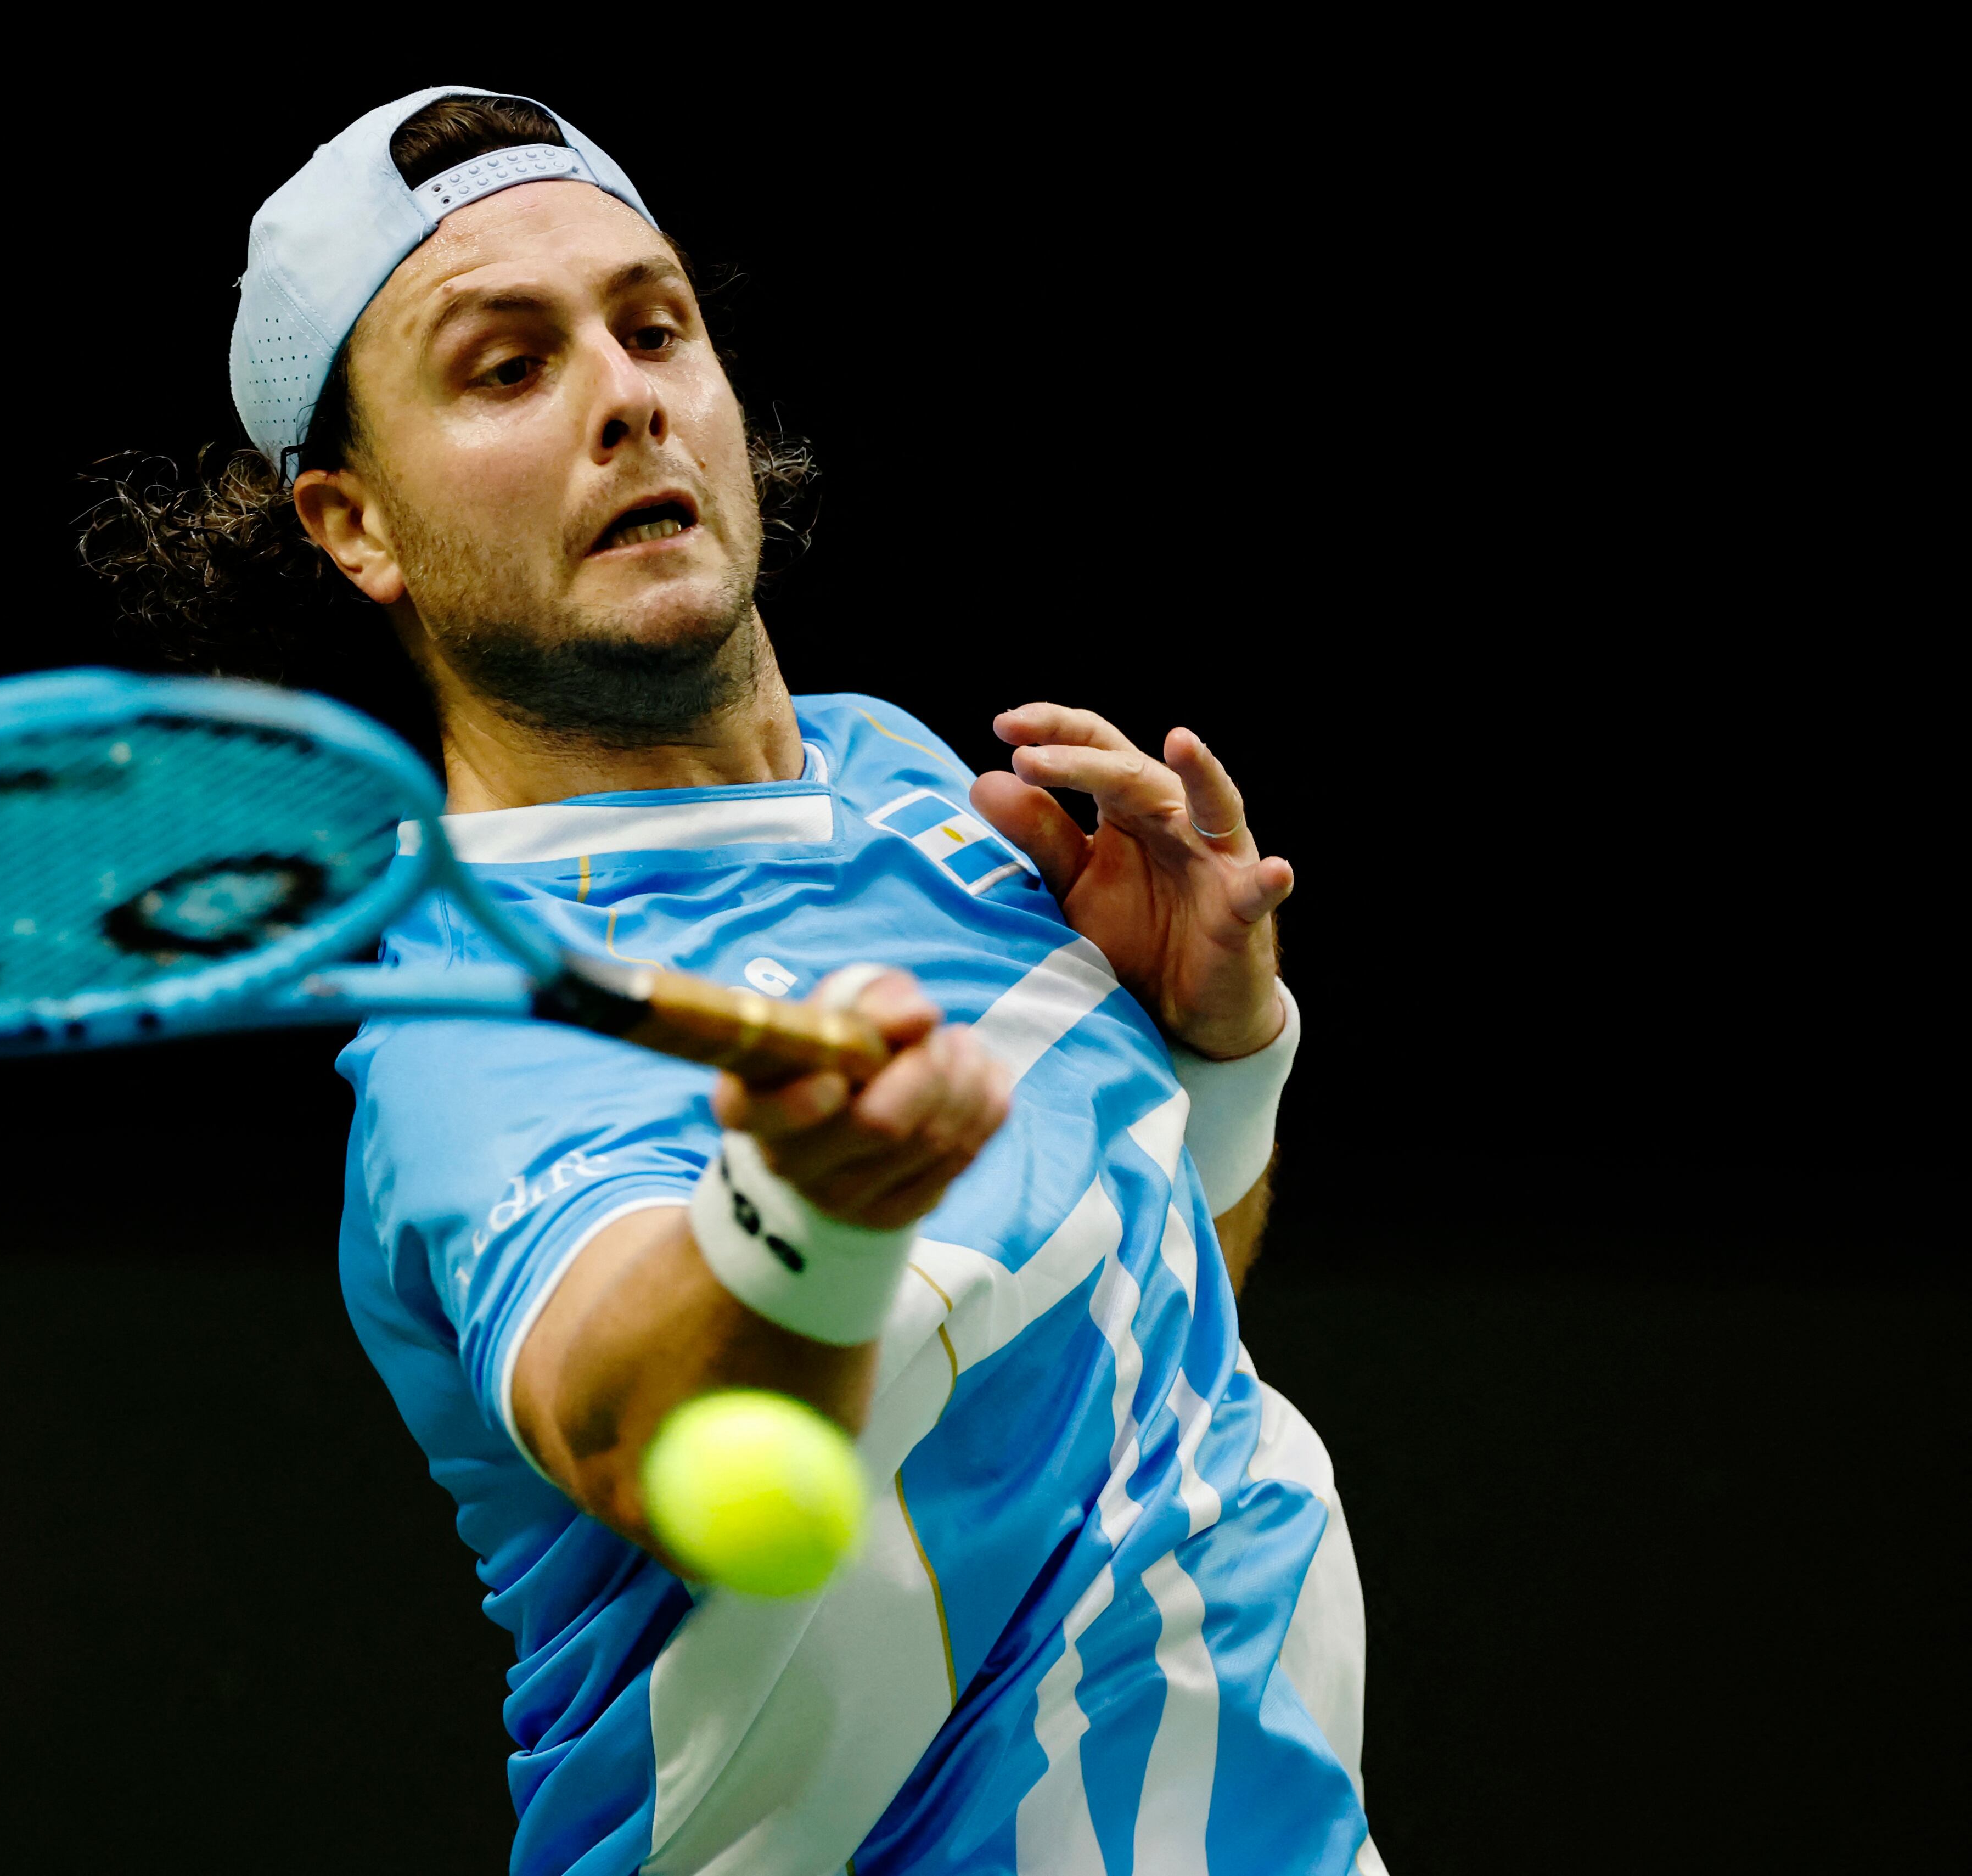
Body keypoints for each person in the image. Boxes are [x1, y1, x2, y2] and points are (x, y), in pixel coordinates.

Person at [91, 88, 1381, 1875]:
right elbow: (646, 1428)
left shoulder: (910, 780)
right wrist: (802, 1215)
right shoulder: (490, 1027)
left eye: (654, 325)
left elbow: (1127, 1324)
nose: (626, 396)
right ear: (354, 522)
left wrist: (1218, 1065)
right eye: (507, 367)